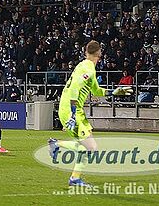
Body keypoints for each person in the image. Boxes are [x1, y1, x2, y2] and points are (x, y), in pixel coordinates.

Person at [47, 41, 131, 187]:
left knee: (85, 147)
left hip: (71, 109)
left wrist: (114, 92)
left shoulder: (85, 66)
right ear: (99, 53)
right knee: (90, 147)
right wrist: (73, 115)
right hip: (72, 110)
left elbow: (96, 91)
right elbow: (75, 88)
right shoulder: (88, 69)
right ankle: (58, 147)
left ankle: (73, 175)